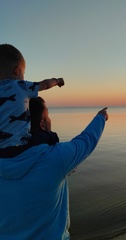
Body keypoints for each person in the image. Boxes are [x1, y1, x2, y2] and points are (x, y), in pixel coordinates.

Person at [0, 99, 109, 239]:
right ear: (42, 124)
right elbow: (87, 140)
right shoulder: (55, 157)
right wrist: (101, 117)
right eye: (48, 115)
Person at [0, 44, 64, 157]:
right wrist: (57, 80)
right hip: (20, 148)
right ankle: (58, 157)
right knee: (50, 136)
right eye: (23, 73)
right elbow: (45, 84)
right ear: (17, 70)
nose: (24, 77)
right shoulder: (20, 85)